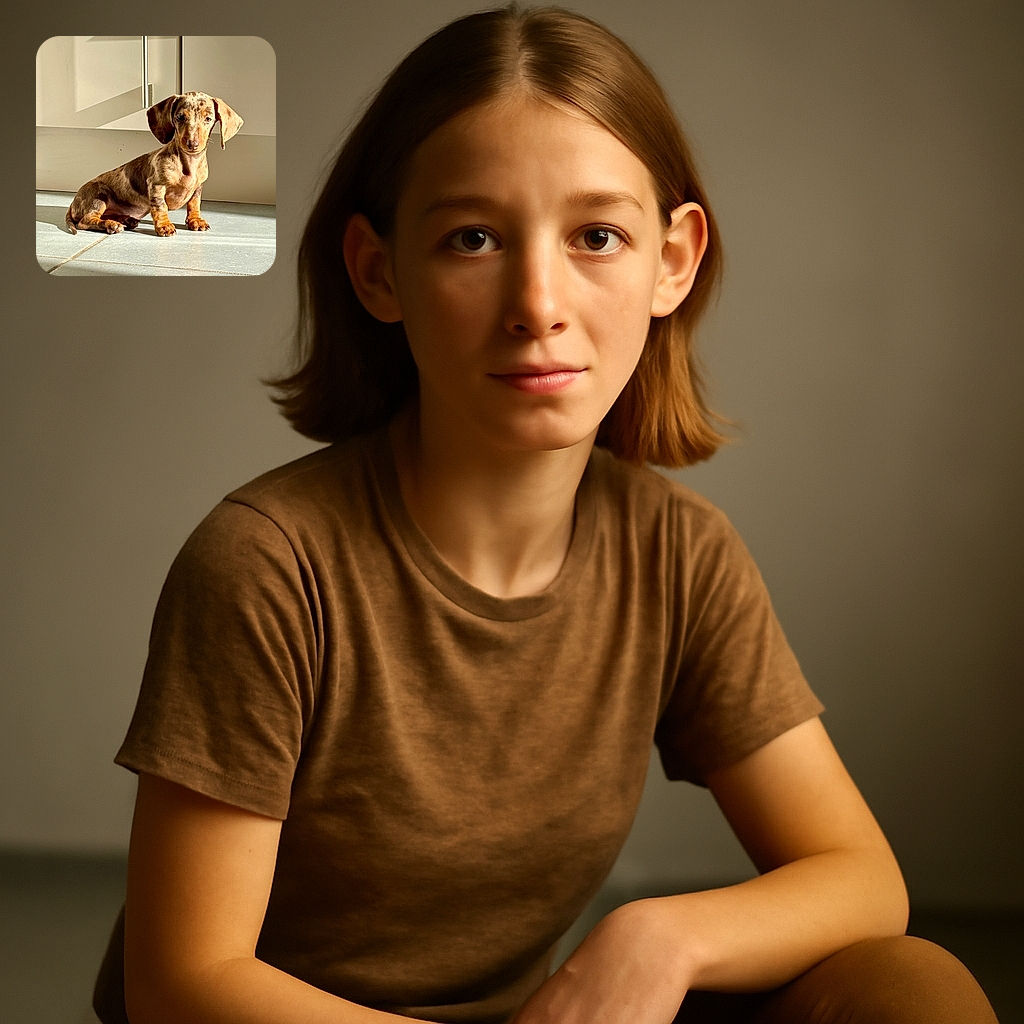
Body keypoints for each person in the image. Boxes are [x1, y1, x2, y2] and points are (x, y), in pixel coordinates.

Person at [93, 6, 999, 1023]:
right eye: (472, 237)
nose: (538, 301)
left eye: (597, 236)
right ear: (378, 270)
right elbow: (183, 987)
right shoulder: (267, 565)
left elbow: (863, 879)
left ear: (673, 260)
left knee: (911, 987)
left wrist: (661, 936)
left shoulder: (677, 554)